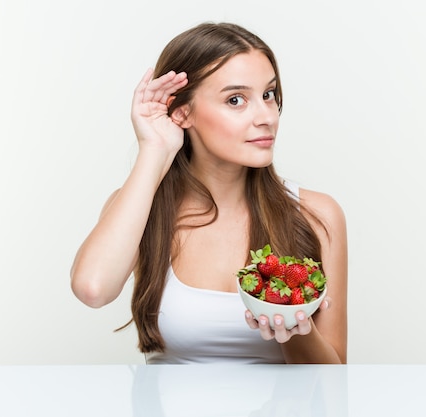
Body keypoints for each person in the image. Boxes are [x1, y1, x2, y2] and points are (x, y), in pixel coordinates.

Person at [70, 22, 348, 364]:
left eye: (269, 94)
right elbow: (93, 289)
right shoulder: (140, 208)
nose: (266, 117)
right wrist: (154, 149)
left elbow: (332, 375)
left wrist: (293, 332)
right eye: (236, 99)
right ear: (182, 112)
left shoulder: (315, 214)